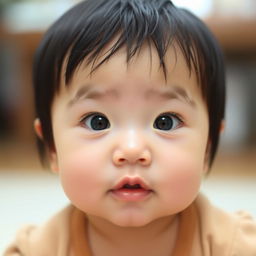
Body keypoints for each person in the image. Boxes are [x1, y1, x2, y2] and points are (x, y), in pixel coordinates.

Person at [4, 0, 256, 255]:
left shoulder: (234, 246)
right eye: (97, 121)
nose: (132, 149)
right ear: (51, 147)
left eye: (165, 122)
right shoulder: (35, 250)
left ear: (208, 146)